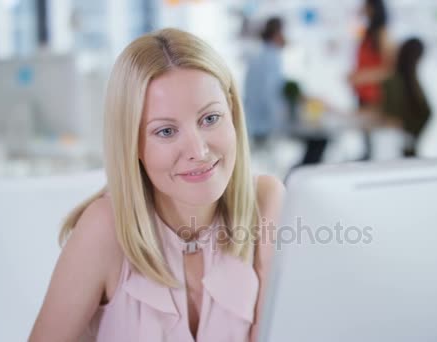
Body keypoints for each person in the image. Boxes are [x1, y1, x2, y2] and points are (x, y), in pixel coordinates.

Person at [29, 28, 285, 342]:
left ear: (232, 113)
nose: (198, 151)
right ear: (132, 143)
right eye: (165, 131)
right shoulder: (105, 228)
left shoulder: (266, 201)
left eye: (210, 119)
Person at [348, 0, 396, 160]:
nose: (362, 9)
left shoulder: (382, 33)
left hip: (375, 97)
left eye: (366, 7)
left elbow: (390, 70)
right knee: (366, 142)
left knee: (373, 146)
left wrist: (363, 77)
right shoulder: (367, 32)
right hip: (363, 95)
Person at [382, 37, 431, 157]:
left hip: (398, 150)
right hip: (408, 150)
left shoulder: (395, 81)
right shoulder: (412, 82)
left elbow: (390, 119)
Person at [244, 17, 287, 149]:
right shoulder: (271, 58)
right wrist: (279, 119)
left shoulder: (259, 54)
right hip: (264, 122)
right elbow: (269, 92)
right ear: (276, 34)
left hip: (254, 120)